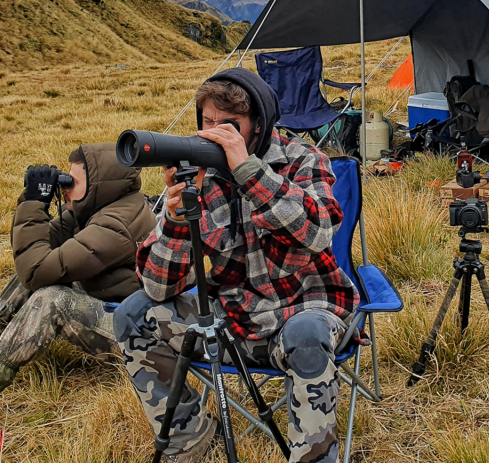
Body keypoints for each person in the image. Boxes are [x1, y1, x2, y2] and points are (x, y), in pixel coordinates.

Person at [113, 68, 358, 463]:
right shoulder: (200, 176)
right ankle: (188, 437)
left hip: (306, 309)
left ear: (257, 127)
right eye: (207, 123)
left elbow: (318, 232)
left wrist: (249, 172)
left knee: (308, 334)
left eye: (229, 125)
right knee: (134, 314)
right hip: (235, 317)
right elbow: (158, 288)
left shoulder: (303, 160)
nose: (213, 133)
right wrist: (176, 221)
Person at [0, 143, 156, 440]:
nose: (66, 187)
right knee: (34, 274)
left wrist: (34, 205)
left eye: (73, 182)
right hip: (114, 309)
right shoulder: (100, 206)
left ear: (99, 185)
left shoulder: (116, 225)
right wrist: (33, 201)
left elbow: (37, 270)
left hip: (135, 338)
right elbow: (30, 255)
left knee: (51, 299)